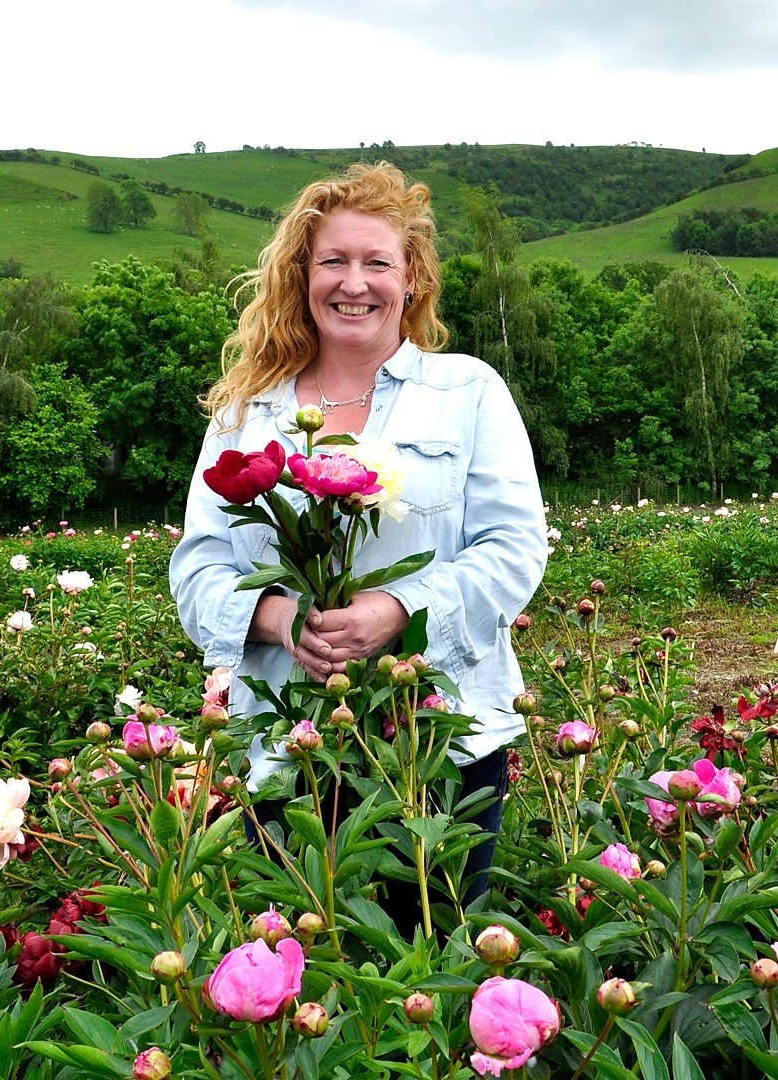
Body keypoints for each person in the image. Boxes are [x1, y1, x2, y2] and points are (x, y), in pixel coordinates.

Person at [169, 162, 548, 920]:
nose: (355, 282)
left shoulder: (468, 392)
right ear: (301, 277)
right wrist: (280, 620)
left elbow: (515, 548)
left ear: (413, 282)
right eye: (334, 261)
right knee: (303, 958)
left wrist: (396, 611)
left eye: (378, 262)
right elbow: (198, 566)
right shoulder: (247, 415)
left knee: (428, 946)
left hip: (438, 740)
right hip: (288, 740)